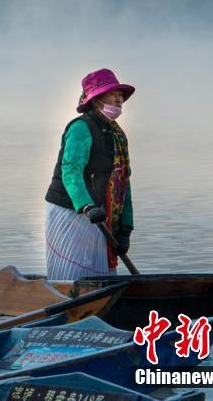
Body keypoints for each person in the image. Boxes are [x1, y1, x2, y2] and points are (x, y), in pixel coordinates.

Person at [44, 68, 134, 280]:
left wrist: (125, 229)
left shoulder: (116, 134)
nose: (119, 99)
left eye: (120, 95)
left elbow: (123, 181)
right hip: (70, 211)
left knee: (100, 274)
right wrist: (86, 205)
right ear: (97, 99)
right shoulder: (81, 128)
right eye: (113, 94)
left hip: (98, 213)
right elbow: (70, 171)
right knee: (72, 275)